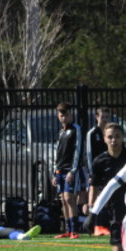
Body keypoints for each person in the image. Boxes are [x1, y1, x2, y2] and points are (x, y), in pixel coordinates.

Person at [52, 102, 84, 239]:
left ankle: (74, 230)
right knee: (63, 200)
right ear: (58, 116)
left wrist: (73, 170)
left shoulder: (76, 129)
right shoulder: (61, 132)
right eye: (61, 115)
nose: (64, 118)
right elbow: (57, 153)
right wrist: (55, 171)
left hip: (70, 170)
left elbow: (78, 150)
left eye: (66, 115)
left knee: (69, 198)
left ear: (71, 115)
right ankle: (67, 229)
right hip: (60, 171)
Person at [85, 106, 112, 236]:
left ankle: (104, 225)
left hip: (109, 171)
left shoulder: (109, 133)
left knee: (108, 197)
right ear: (97, 117)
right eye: (103, 117)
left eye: (107, 117)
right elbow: (89, 154)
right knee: (97, 198)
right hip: (97, 171)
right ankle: (96, 225)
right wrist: (91, 173)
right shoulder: (92, 133)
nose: (105, 119)